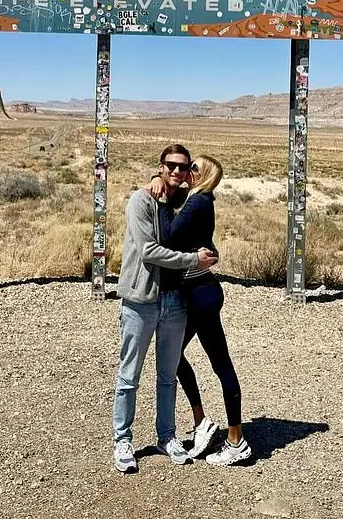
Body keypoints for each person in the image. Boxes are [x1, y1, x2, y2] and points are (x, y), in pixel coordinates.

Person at [112, 144, 218, 474]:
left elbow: (199, 222)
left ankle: (167, 436)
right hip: (141, 299)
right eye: (170, 165)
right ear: (160, 166)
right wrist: (192, 260)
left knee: (168, 376)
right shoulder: (140, 200)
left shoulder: (181, 201)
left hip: (174, 301)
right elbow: (148, 251)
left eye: (183, 167)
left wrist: (207, 254)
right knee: (129, 375)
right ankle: (122, 439)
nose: (176, 171)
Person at [148, 154, 252, 466]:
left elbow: (168, 235)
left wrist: (163, 202)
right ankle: (216, 428)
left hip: (201, 294)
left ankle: (228, 436)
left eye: (193, 168)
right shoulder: (201, 201)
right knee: (199, 359)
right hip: (202, 291)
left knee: (195, 359)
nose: (187, 171)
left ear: (203, 174)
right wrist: (158, 179)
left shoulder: (198, 202)